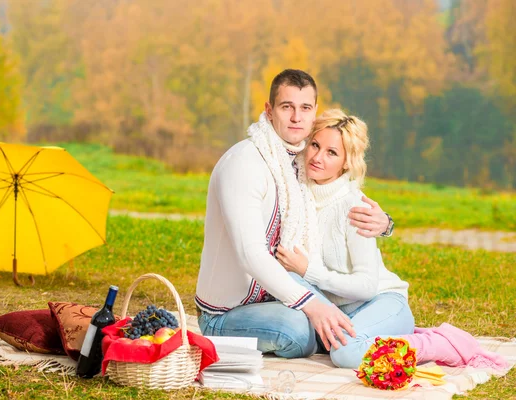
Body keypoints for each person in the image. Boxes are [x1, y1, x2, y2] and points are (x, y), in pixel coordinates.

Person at [276, 109, 508, 369]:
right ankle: (390, 335)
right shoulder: (297, 197)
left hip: (381, 300)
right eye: (315, 145)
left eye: (332, 152)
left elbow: (365, 286)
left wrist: (309, 270)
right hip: (340, 310)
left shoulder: (355, 208)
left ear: (346, 162)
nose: (317, 157)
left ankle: (437, 343)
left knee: (346, 354)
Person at [194, 69, 393, 358]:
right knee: (298, 330)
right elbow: (250, 254)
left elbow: (342, 194)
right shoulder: (245, 163)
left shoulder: (302, 162)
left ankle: (364, 332)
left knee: (328, 319)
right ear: (269, 110)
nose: (296, 118)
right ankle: (335, 336)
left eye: (305, 108)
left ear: (314, 114)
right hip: (228, 311)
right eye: (287, 107)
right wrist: (311, 304)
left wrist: (385, 223)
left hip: (277, 296)